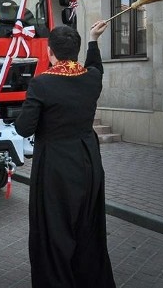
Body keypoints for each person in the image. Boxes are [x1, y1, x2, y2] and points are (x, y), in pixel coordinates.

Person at [14, 21, 116, 288]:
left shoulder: (41, 84)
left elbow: (24, 128)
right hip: (88, 161)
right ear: (76, 50)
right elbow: (97, 66)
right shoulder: (91, 78)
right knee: (87, 227)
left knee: (55, 231)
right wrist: (93, 40)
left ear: (50, 52)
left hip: (56, 167)